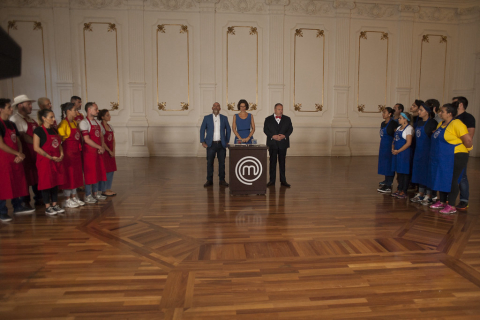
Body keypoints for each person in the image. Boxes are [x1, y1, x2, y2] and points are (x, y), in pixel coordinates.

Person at [429, 102, 472, 214]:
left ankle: (451, 205)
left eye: (442, 111)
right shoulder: (441, 124)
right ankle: (442, 201)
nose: (440, 113)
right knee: (442, 177)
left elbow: (468, 140)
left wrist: (466, 150)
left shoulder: (457, 123)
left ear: (449, 113)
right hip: (443, 156)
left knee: (452, 179)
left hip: (456, 155)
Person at [0, 99, 35, 222]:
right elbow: (1, 144)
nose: (11, 109)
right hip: (4, 159)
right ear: (1, 109)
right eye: (9, 107)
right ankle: (2, 211)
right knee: (4, 185)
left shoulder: (11, 123)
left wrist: (20, 153)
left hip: (16, 158)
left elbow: (18, 140)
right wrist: (17, 153)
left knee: (17, 182)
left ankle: (17, 206)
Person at [10, 94, 42, 209]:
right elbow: (22, 136)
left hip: (34, 152)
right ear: (20, 105)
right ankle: (25, 201)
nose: (30, 106)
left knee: (35, 175)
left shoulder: (30, 119)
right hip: (25, 151)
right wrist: (37, 143)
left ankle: (38, 198)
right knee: (25, 177)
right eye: (28, 104)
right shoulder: (15, 119)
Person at [33, 109, 66, 216]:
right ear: (44, 118)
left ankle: (55, 204)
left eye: (53, 116)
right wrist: (50, 157)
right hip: (45, 161)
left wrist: (61, 154)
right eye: (51, 117)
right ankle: (48, 207)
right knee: (46, 183)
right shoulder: (38, 131)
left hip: (56, 160)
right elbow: (36, 148)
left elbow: (59, 144)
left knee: (55, 183)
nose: (53, 119)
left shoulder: (54, 130)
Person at [57, 102, 85, 208]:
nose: (76, 112)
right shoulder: (63, 124)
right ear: (68, 111)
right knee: (69, 176)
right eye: (74, 110)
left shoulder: (74, 123)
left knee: (76, 176)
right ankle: (67, 199)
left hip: (76, 154)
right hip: (68, 154)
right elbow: (59, 140)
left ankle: (74, 196)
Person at [410, 103, 438, 205]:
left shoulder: (432, 123)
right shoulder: (419, 122)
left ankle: (429, 195)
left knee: (427, 174)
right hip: (418, 152)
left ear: (427, 111)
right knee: (419, 173)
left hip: (428, 152)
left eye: (421, 110)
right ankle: (421, 193)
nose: (419, 112)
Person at [79, 102, 107, 203]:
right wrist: (99, 147)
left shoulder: (97, 122)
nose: (97, 111)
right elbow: (86, 139)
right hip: (89, 152)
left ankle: (96, 193)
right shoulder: (84, 123)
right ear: (89, 110)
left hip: (98, 151)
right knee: (89, 173)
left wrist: (102, 147)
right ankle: (88, 195)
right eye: (96, 109)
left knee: (97, 172)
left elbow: (101, 136)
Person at [200, 102, 231, 187]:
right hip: (211, 145)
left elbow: (228, 130)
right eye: (214, 106)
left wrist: (227, 141)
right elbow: (202, 130)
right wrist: (203, 141)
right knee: (209, 163)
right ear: (212, 108)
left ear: (220, 108)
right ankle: (209, 180)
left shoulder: (224, 118)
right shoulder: (207, 118)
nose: (216, 107)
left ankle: (222, 180)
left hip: (221, 144)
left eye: (217, 106)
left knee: (222, 163)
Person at [452, 96, 475, 211]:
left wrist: (464, 149)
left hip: (461, 151)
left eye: (454, 103)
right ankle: (449, 199)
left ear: (460, 104)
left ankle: (464, 200)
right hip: (451, 151)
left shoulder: (468, 117)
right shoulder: (453, 117)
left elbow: (470, 136)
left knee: (462, 177)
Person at [264, 103, 293, 187]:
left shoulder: (287, 119)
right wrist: (272, 136)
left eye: (282, 109)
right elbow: (265, 130)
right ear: (275, 110)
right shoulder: (268, 119)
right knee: (272, 162)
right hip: (272, 144)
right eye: (279, 109)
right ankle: (272, 181)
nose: (281, 111)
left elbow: (290, 129)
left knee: (282, 162)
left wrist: (284, 136)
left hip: (283, 144)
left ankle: (283, 181)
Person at [390, 112, 413, 199]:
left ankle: (404, 190)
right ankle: (399, 188)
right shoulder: (399, 128)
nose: (398, 119)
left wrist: (398, 150)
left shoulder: (409, 129)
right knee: (399, 172)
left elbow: (408, 143)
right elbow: (394, 140)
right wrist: (393, 148)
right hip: (396, 152)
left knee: (404, 172)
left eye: (400, 118)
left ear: (405, 119)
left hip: (404, 153)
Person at [377, 107, 396, 193]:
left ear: (390, 114)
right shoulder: (382, 123)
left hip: (390, 146)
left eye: (385, 112)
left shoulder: (393, 124)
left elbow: (396, 136)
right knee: (384, 164)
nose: (383, 114)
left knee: (389, 164)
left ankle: (389, 184)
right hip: (383, 146)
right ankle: (386, 181)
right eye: (383, 112)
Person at [98, 109, 117, 196]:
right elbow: (102, 141)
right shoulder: (100, 127)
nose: (109, 117)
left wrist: (113, 151)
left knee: (111, 170)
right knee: (104, 170)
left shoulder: (110, 127)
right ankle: (104, 190)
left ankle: (108, 188)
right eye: (107, 115)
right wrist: (109, 151)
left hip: (110, 152)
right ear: (102, 117)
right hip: (105, 151)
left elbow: (113, 140)